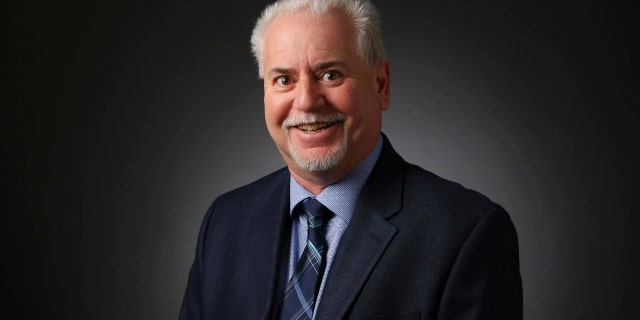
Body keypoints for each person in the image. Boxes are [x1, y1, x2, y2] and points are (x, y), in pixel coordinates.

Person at [179, 0, 522, 319]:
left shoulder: (464, 232)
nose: (307, 102)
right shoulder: (224, 222)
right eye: (284, 79)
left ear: (381, 84)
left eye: (331, 74)